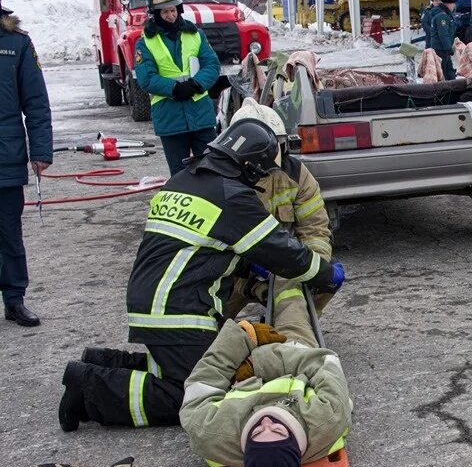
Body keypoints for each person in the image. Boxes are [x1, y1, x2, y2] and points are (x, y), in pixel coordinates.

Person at [57, 119, 346, 432]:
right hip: (179, 311)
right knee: (196, 393)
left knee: (193, 369)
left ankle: (103, 363)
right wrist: (325, 274)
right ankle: (87, 390)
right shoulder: (232, 196)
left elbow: (203, 248)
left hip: (155, 300)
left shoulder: (183, 181)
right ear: (249, 166)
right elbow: (286, 253)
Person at [180, 319, 353, 467]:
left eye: (257, 432)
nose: (266, 423)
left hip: (237, 370)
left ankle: (252, 290)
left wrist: (242, 337)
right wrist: (259, 362)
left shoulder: (209, 430)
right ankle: (287, 291)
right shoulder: (327, 415)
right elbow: (324, 364)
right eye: (278, 430)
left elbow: (203, 380)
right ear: (295, 437)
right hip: (292, 355)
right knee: (292, 316)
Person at [222, 99, 334, 346]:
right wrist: (251, 272)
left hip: (284, 265)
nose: (271, 154)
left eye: (277, 145)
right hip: (230, 272)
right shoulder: (222, 180)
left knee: (324, 278)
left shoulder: (296, 174)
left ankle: (294, 332)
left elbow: (315, 227)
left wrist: (316, 265)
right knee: (207, 337)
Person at [0, 0, 51, 328]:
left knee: (8, 233)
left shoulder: (16, 42)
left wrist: (41, 150)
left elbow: (35, 100)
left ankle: (14, 300)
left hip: (5, 154)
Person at [135, 0, 221, 176]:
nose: (170, 15)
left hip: (201, 116)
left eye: (173, 10)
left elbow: (212, 65)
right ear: (155, 14)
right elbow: (146, 78)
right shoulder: (145, 43)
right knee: (180, 176)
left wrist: (195, 84)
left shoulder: (196, 35)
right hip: (170, 118)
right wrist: (174, 88)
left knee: (211, 171)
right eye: (164, 12)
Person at [429, 0, 459, 81]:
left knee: (449, 70)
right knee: (442, 71)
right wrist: (449, 48)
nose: (454, 6)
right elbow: (443, 34)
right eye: (453, 4)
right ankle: (442, 90)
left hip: (442, 48)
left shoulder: (444, 14)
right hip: (441, 49)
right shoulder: (443, 16)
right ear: (448, 4)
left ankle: (452, 86)